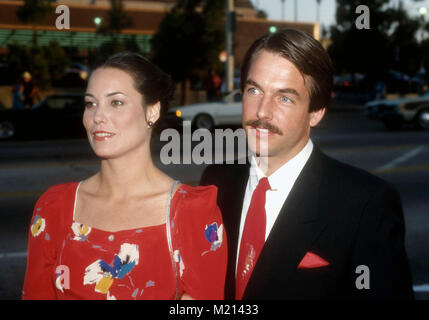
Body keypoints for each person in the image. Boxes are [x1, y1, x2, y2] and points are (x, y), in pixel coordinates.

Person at [200, 29, 414, 300]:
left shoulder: (368, 205)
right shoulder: (216, 181)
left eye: (284, 98)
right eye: (254, 90)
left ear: (316, 112)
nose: (262, 111)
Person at [22, 52, 227, 300]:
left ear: (152, 112)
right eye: (90, 103)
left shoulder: (192, 213)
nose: (97, 116)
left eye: (116, 103)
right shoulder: (54, 208)